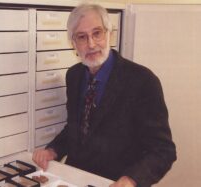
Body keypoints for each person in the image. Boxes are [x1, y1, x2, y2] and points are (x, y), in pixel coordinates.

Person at [32, 3, 176, 187]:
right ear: (73, 43)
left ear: (110, 34)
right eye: (82, 37)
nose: (91, 44)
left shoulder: (142, 81)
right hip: (75, 178)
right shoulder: (74, 75)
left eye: (97, 33)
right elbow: (75, 129)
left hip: (115, 181)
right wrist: (53, 150)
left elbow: (163, 150)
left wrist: (131, 180)